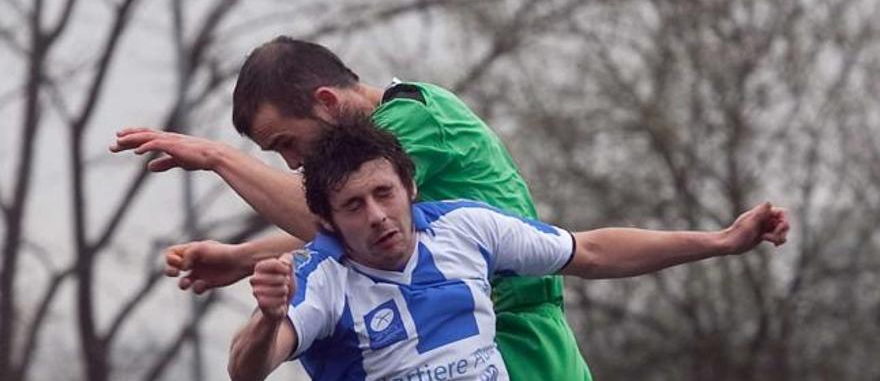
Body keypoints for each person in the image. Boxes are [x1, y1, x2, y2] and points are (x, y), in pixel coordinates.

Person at [110, 37, 591, 380]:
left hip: (513, 341)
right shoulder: (404, 121)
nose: (294, 162)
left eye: (286, 143)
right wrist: (242, 259)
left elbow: (323, 215)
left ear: (326, 102)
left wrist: (219, 159)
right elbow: (348, 232)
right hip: (477, 336)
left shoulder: (408, 122)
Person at [228, 116, 789, 381]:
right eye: (354, 205)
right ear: (325, 220)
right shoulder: (322, 278)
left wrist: (722, 240)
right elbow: (245, 369)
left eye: (384, 194)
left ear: (410, 187)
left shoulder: (464, 229)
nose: (377, 216)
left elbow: (591, 251)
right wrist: (268, 316)